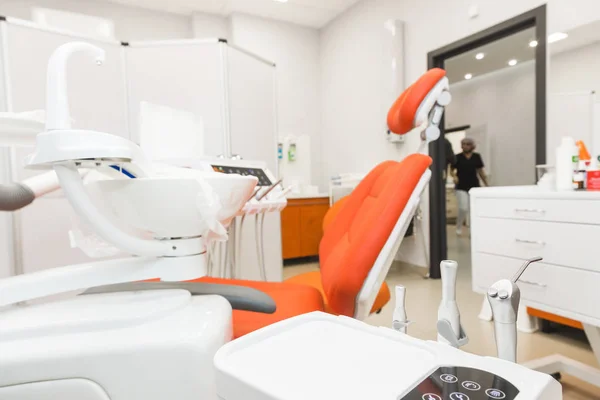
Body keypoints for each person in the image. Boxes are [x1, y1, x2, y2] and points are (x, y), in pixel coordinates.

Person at [450, 138, 488, 235]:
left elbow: (481, 171)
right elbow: (451, 169)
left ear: (472, 146)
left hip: (474, 186)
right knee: (463, 208)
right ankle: (459, 226)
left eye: (467, 144)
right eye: (463, 144)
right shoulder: (457, 157)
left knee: (473, 209)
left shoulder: (476, 156)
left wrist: (487, 184)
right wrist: (454, 176)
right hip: (461, 186)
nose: (465, 146)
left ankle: (473, 230)